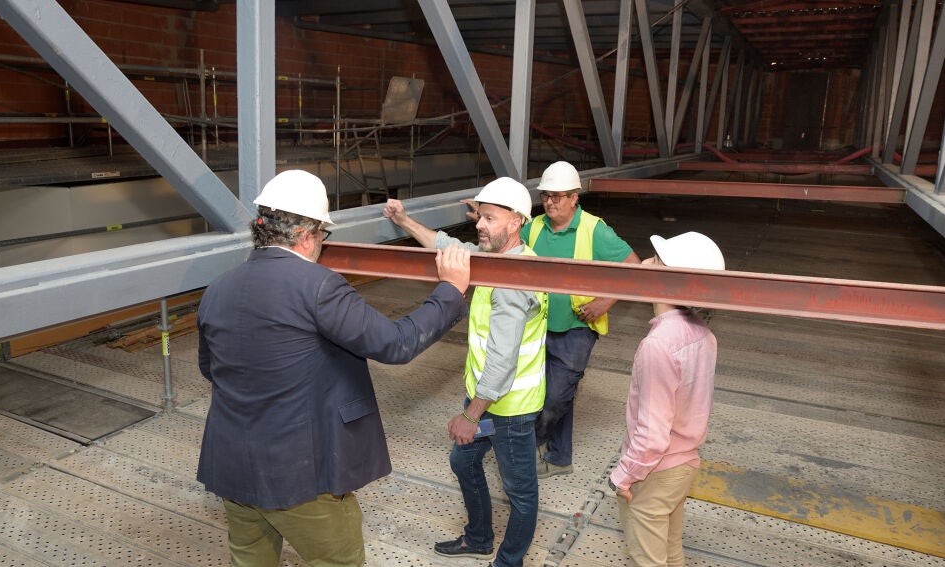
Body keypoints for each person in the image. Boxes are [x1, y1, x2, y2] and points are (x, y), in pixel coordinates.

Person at [196, 169, 472, 567]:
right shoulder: (319, 286)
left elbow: (211, 369)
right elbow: (396, 344)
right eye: (323, 236)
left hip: (233, 469)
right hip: (300, 476)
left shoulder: (217, 287)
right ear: (307, 235)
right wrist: (450, 290)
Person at [383, 177, 547, 567]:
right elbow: (448, 248)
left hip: (508, 409)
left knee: (521, 492)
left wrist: (470, 415)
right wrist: (404, 221)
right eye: (480, 216)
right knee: (463, 461)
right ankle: (478, 538)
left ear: (516, 223)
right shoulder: (497, 258)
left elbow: (504, 361)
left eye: (490, 218)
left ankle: (509, 562)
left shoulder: (511, 282)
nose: (479, 225)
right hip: (488, 399)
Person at [607, 231, 724, 567]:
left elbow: (653, 433)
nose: (644, 262)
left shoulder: (658, 345)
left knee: (647, 559)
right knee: (671, 553)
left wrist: (625, 475)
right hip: (685, 464)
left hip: (655, 469)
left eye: (656, 260)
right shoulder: (704, 334)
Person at [522, 161, 641, 478]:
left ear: (574, 197)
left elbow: (635, 266)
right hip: (538, 326)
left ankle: (527, 446)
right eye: (546, 196)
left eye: (558, 196)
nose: (550, 202)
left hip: (576, 330)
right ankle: (561, 458)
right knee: (552, 394)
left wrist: (606, 301)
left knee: (556, 396)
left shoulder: (595, 230)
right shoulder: (533, 227)